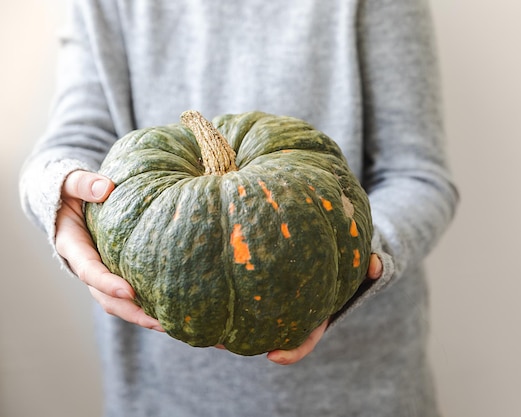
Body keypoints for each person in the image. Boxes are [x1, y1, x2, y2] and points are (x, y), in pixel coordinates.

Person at [20, 0, 459, 416]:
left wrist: (346, 260)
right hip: (166, 392)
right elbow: (71, 140)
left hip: (356, 388)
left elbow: (418, 176)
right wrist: (59, 193)